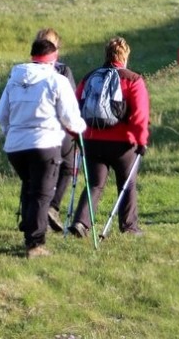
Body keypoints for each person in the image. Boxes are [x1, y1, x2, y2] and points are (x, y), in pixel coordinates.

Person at [0, 38, 87, 258]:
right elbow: (70, 118)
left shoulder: (14, 80)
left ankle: (28, 228)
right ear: (53, 60)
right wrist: (81, 128)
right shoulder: (57, 81)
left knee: (29, 186)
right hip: (45, 144)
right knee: (41, 194)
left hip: (15, 147)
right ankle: (35, 244)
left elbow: (0, 115)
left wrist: (11, 130)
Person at [69, 37, 150, 239]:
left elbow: (75, 107)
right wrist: (141, 140)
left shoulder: (89, 78)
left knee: (94, 184)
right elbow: (140, 115)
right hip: (123, 143)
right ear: (125, 56)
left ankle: (81, 222)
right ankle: (129, 226)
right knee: (127, 184)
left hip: (92, 139)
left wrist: (76, 136)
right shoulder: (132, 79)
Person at [33, 28, 78, 233]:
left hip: (29, 129)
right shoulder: (62, 71)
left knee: (35, 175)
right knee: (68, 166)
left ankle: (33, 215)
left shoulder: (23, 70)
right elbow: (70, 101)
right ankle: (52, 206)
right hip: (57, 128)